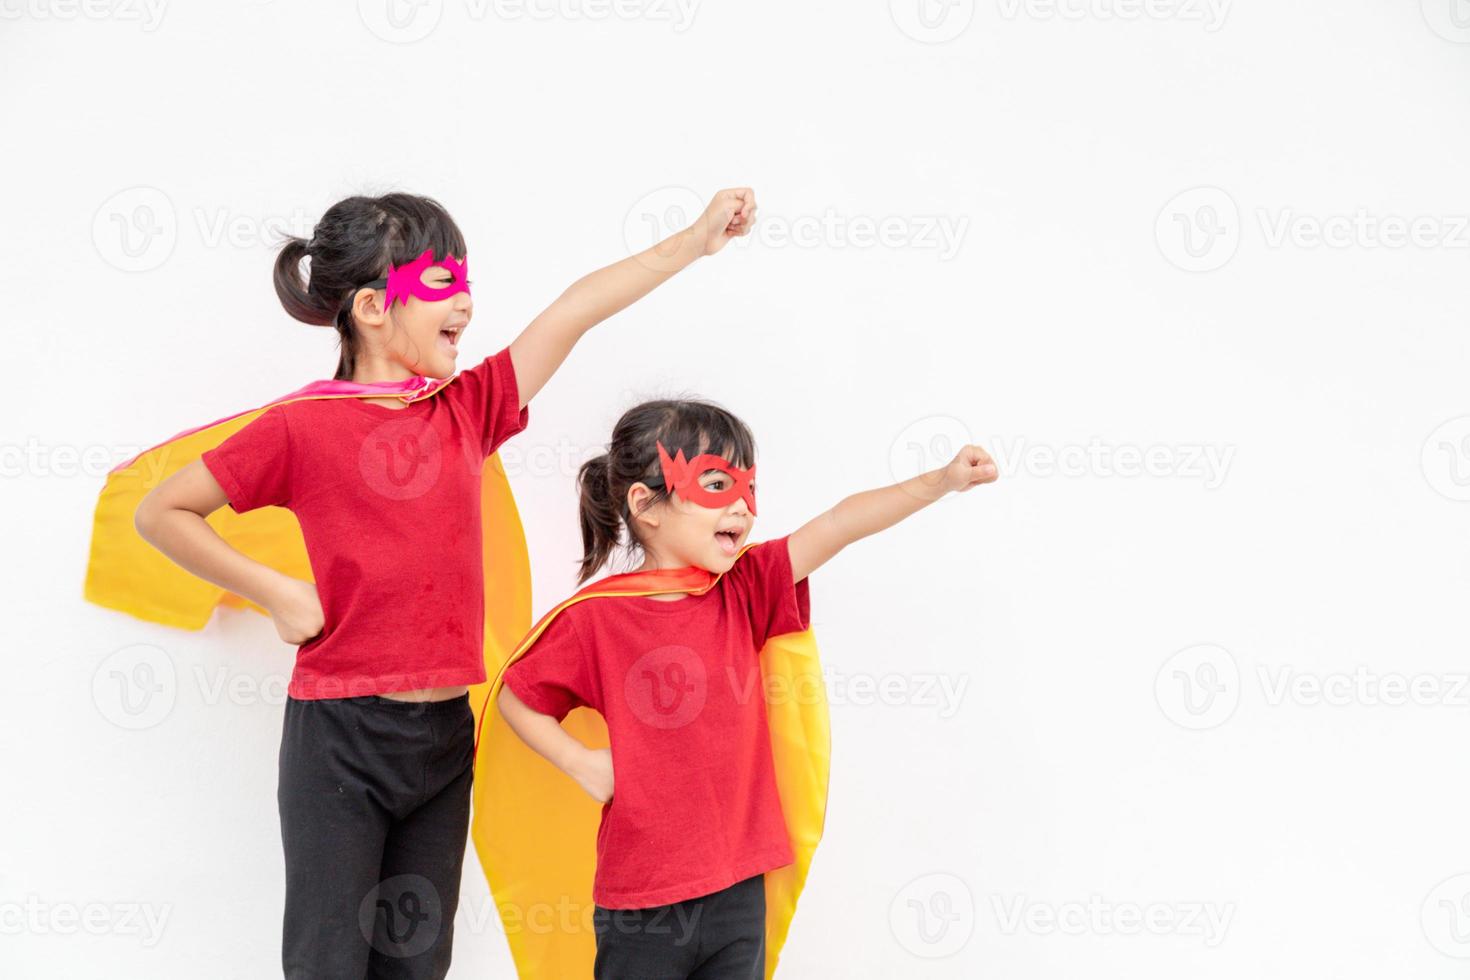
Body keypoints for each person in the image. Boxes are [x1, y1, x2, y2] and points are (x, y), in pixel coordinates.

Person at [129, 188, 758, 979]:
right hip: (340, 744)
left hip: (443, 739)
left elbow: (575, 310)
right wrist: (275, 591)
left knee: (418, 961)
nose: (464, 300)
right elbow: (163, 512)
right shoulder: (301, 427)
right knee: (329, 961)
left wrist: (692, 240)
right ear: (369, 307)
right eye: (439, 284)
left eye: (466, 280)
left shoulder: (467, 409)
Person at [494, 397, 998, 978]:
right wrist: (582, 763)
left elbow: (836, 524)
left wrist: (939, 480)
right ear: (645, 505)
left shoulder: (745, 589)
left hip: (739, 890)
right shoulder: (594, 619)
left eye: (748, 488)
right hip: (643, 901)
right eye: (716, 483)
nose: (742, 505)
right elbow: (517, 694)